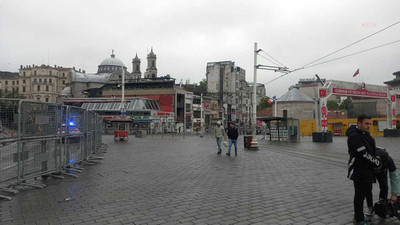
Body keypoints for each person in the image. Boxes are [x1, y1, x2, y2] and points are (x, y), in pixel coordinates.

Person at [346, 114, 382, 225]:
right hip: (358, 170)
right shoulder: (354, 136)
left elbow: (372, 150)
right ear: (359, 123)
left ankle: (359, 216)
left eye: (370, 124)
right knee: (359, 195)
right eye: (366, 123)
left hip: (367, 170)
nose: (369, 126)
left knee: (366, 191)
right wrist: (376, 163)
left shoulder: (366, 134)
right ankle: (359, 219)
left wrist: (377, 159)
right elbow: (364, 154)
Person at [365, 147, 399, 216]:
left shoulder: (389, 160)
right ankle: (370, 207)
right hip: (369, 170)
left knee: (384, 187)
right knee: (368, 188)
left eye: (378, 167)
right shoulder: (368, 159)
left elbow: (394, 177)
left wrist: (394, 193)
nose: (377, 168)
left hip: (382, 172)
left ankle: (383, 204)